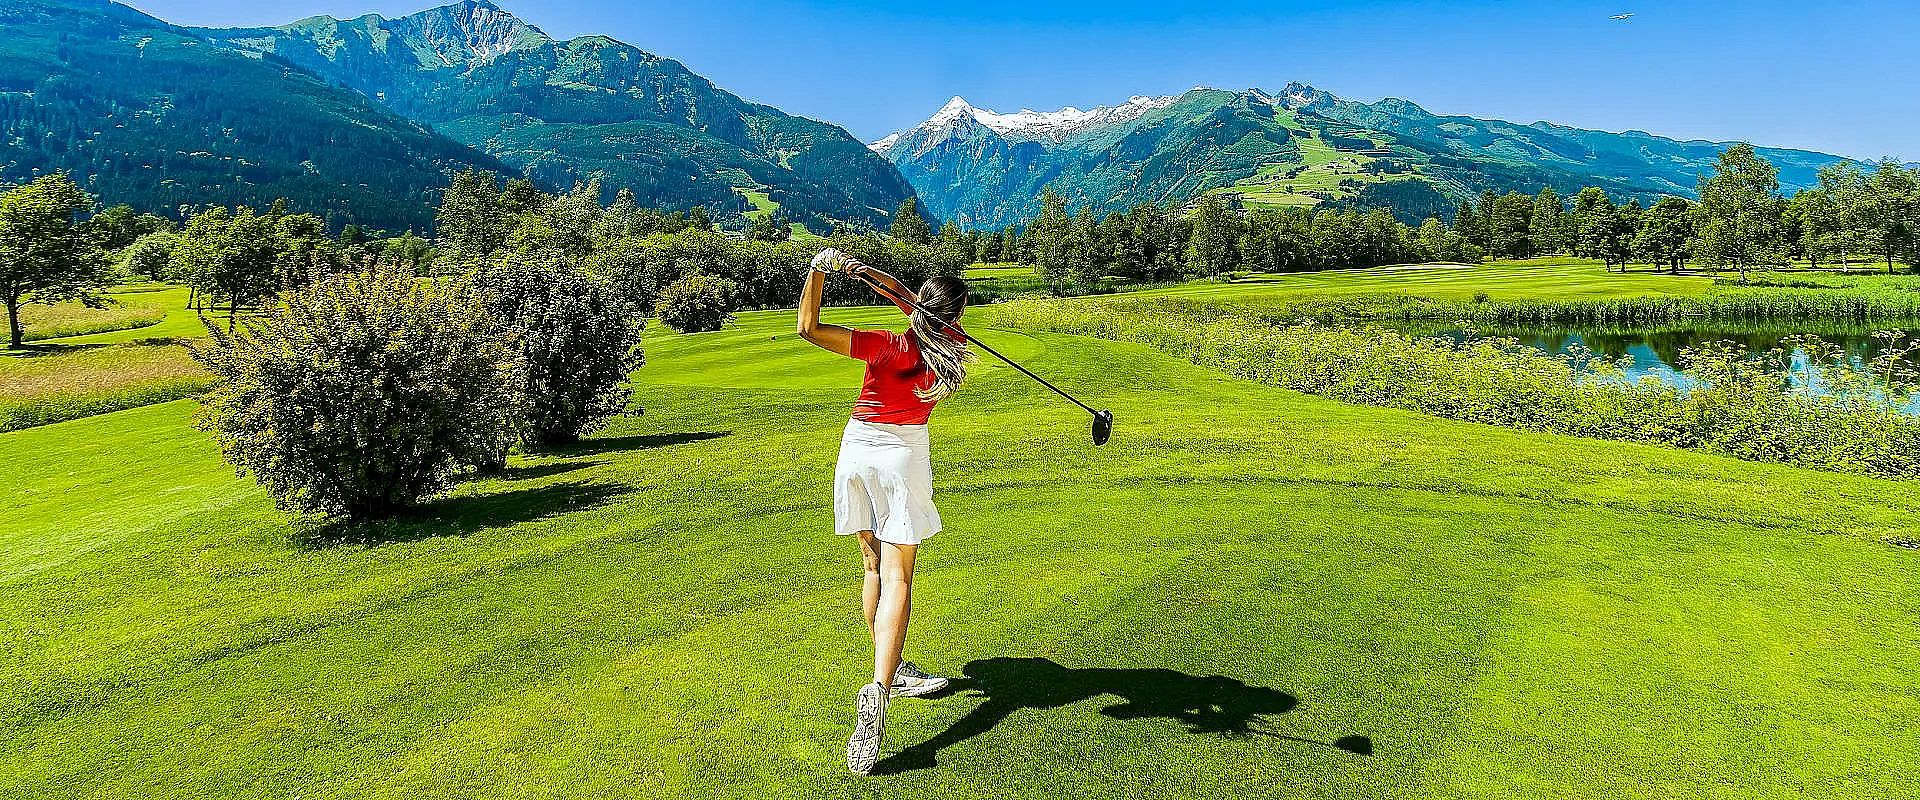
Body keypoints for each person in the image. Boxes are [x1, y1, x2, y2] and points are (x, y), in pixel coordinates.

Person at [796, 248, 973, 774]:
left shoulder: (888, 347)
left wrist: (820, 271)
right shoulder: (955, 348)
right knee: (899, 579)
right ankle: (878, 692)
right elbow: (905, 298)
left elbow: (809, 327)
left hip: (857, 452)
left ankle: (890, 674)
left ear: (918, 307)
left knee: (874, 568)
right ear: (956, 316)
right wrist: (866, 272)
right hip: (902, 457)